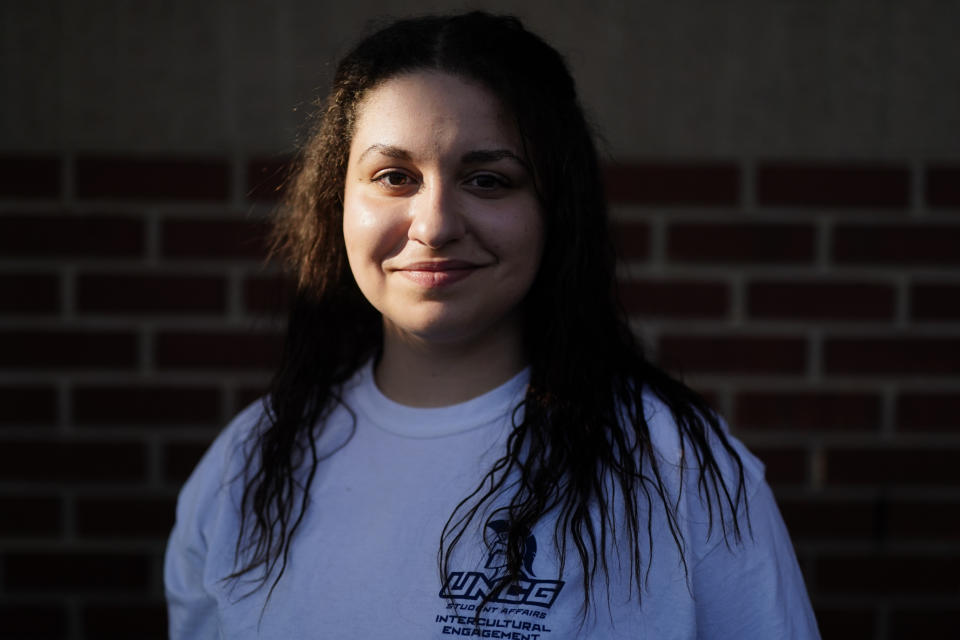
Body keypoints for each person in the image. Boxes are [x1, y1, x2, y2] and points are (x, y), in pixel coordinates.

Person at [165, 11, 820, 639]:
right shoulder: (245, 467)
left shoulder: (676, 468)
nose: (435, 225)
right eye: (394, 176)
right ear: (340, 200)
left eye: (487, 179)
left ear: (554, 209)